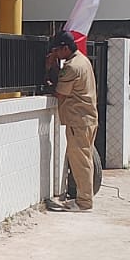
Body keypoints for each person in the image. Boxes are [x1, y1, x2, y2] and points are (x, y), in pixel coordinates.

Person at [46, 31, 98, 212]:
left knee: (80, 161)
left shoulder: (72, 67)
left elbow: (60, 92)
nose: (56, 54)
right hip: (87, 118)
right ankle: (83, 198)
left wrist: (51, 66)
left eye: (57, 50)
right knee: (85, 159)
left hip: (79, 121)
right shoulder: (82, 60)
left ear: (65, 48)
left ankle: (84, 202)